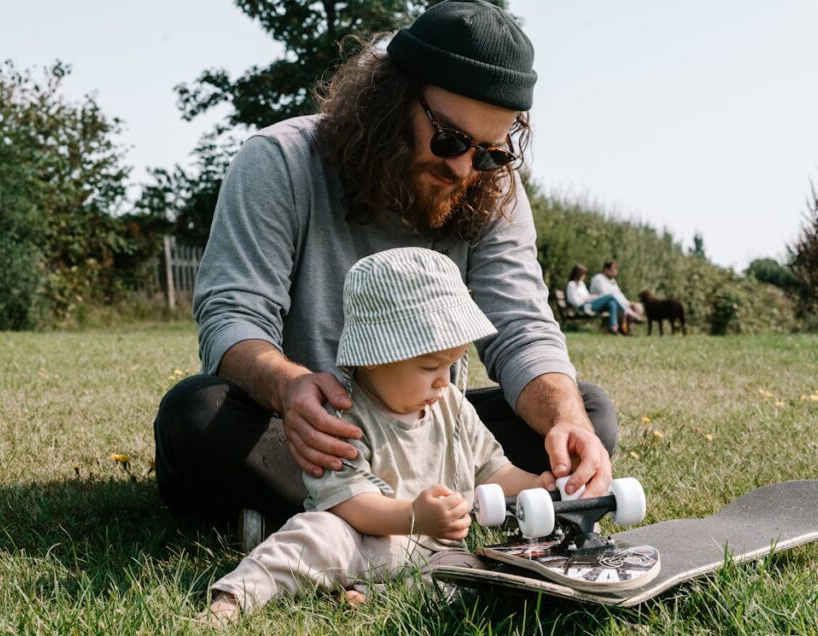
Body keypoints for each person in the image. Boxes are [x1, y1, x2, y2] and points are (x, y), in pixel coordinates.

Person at [153, 0, 619, 542]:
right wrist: (289, 387)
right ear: (391, 99)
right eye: (450, 139)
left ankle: (310, 514)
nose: (463, 168)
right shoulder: (280, 160)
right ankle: (399, 508)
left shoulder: (494, 189)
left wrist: (566, 422)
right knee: (198, 414)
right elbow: (233, 317)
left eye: (489, 152)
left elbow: (521, 328)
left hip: (427, 430)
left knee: (586, 412)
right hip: (315, 428)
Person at [203, 248, 556, 621]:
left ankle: (368, 595)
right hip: (360, 539)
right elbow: (350, 503)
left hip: (435, 550)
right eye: (430, 367)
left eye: (451, 365)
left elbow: (492, 470)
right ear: (375, 356)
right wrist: (414, 516)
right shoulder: (343, 415)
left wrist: (540, 485)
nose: (444, 380)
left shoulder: (451, 404)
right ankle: (237, 596)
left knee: (470, 573)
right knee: (316, 535)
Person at [565, 264, 627, 335]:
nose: (584, 276)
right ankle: (624, 310)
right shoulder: (571, 285)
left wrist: (591, 297)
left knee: (612, 304)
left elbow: (586, 295)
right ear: (579, 274)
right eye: (583, 274)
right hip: (583, 307)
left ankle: (614, 328)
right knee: (610, 296)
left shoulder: (581, 284)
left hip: (589, 304)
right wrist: (585, 299)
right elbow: (573, 300)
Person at [590, 260, 643, 334]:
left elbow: (619, 294)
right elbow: (607, 295)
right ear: (606, 270)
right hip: (603, 304)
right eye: (613, 270)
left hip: (616, 302)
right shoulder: (598, 279)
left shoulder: (612, 281)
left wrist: (628, 303)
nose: (615, 272)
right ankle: (621, 329)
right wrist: (623, 304)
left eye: (616, 270)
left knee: (637, 306)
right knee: (615, 305)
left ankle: (629, 330)